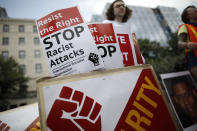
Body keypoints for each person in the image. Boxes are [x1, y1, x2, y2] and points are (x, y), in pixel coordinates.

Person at [178, 5, 197, 81]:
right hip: (193, 57)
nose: (196, 10)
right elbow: (179, 43)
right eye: (193, 10)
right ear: (187, 16)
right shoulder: (185, 27)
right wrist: (187, 44)